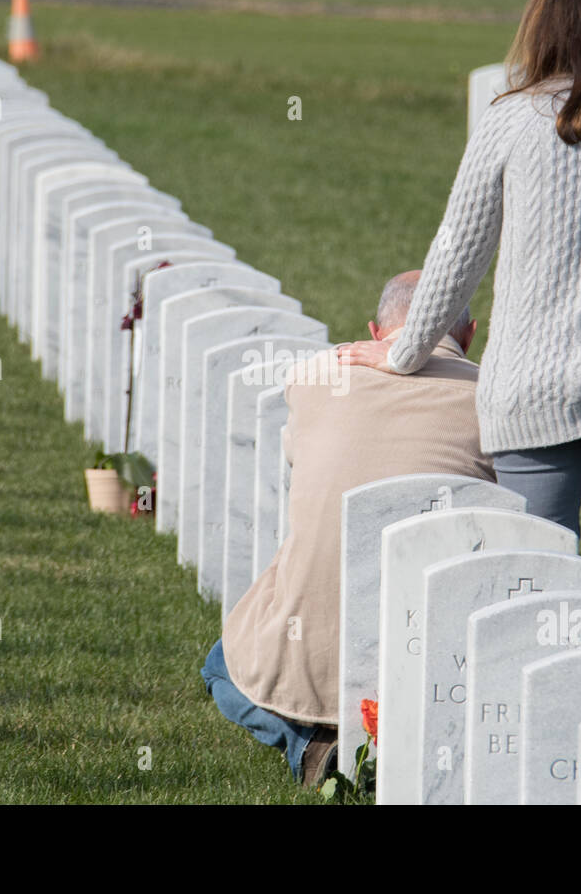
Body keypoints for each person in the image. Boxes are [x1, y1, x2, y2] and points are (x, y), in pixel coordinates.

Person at [337, 0, 581, 608]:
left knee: (539, 580)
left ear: (545, 21)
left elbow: (457, 255)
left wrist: (404, 352)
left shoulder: (514, 120)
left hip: (536, 385)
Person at [201, 270, 493, 787]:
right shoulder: (495, 399)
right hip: (443, 654)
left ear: (375, 333)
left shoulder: (315, 380)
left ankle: (308, 743)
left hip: (313, 651)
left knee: (221, 667)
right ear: (469, 334)